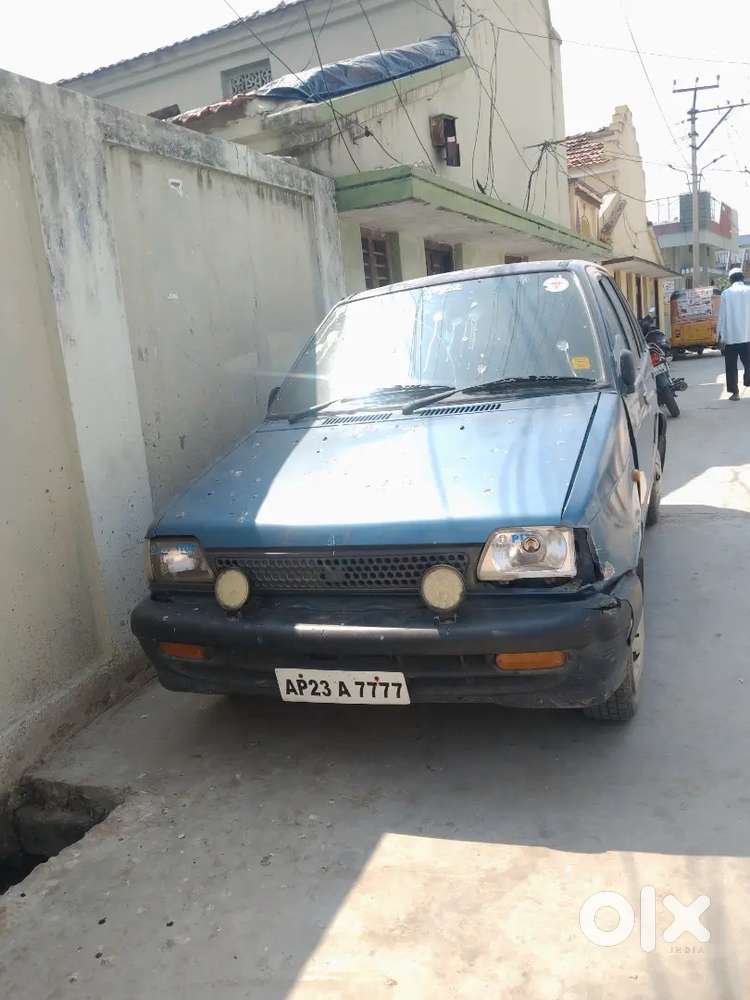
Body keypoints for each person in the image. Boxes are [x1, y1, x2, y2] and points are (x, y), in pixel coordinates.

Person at [718, 267, 750, 401]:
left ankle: (735, 393)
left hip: (730, 337)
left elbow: (722, 316)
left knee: (730, 366)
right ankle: (748, 381)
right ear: (742, 278)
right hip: (748, 336)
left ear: (731, 279)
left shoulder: (726, 293)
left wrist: (720, 335)